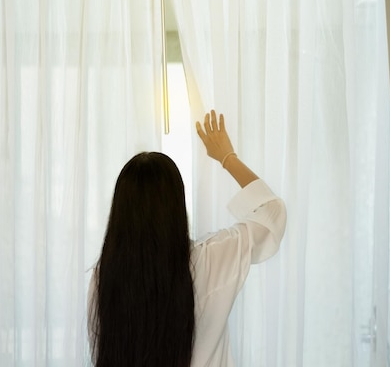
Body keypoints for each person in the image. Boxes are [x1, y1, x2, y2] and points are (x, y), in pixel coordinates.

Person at [87, 110, 287, 367]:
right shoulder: (212, 258)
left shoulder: (104, 276)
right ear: (176, 207)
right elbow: (272, 214)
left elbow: (100, 354)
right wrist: (228, 158)